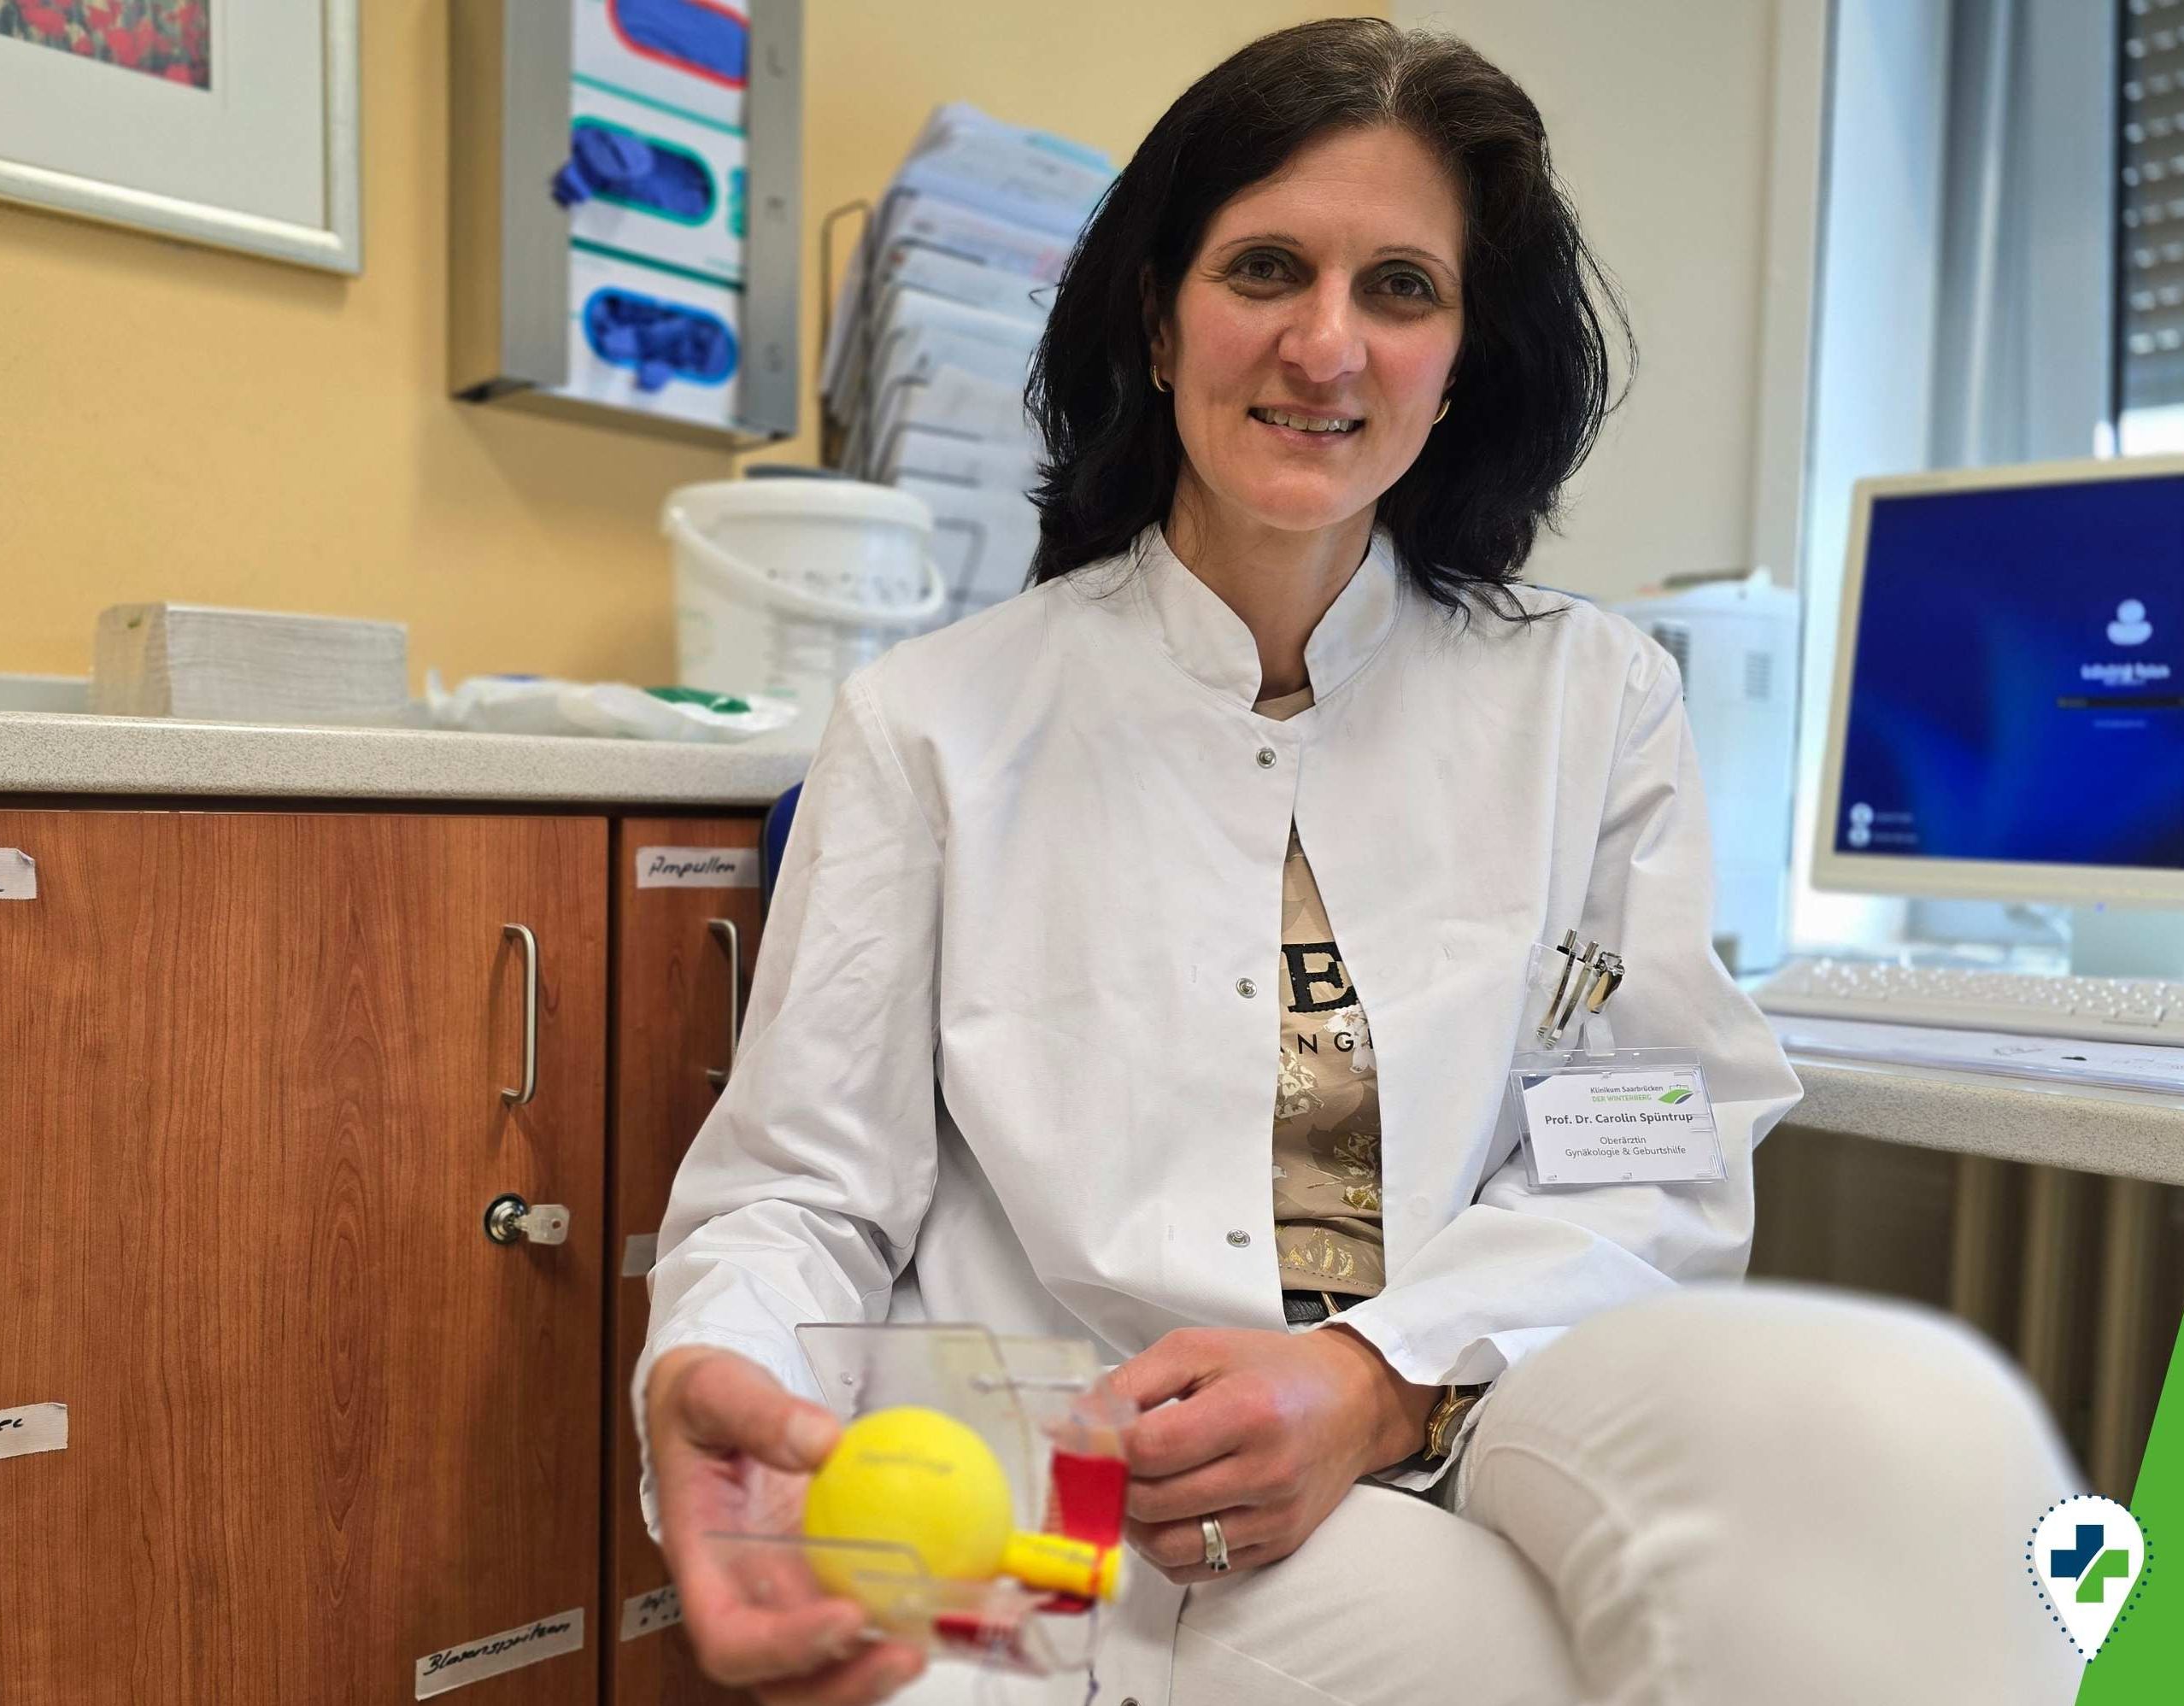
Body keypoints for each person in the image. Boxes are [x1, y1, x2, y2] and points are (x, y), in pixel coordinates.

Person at [635, 21, 2081, 1706]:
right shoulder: (934, 726)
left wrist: (1376, 1379)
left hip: (1472, 1398)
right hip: (1103, 1491)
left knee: (1922, 1438)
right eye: (1265, 266)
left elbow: (1650, 1157)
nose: (1326, 343)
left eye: (1400, 288)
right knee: (1516, 1663)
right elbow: (800, 1191)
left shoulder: (1591, 701)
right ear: (1158, 311)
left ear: (1460, 358)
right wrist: (712, 1368)